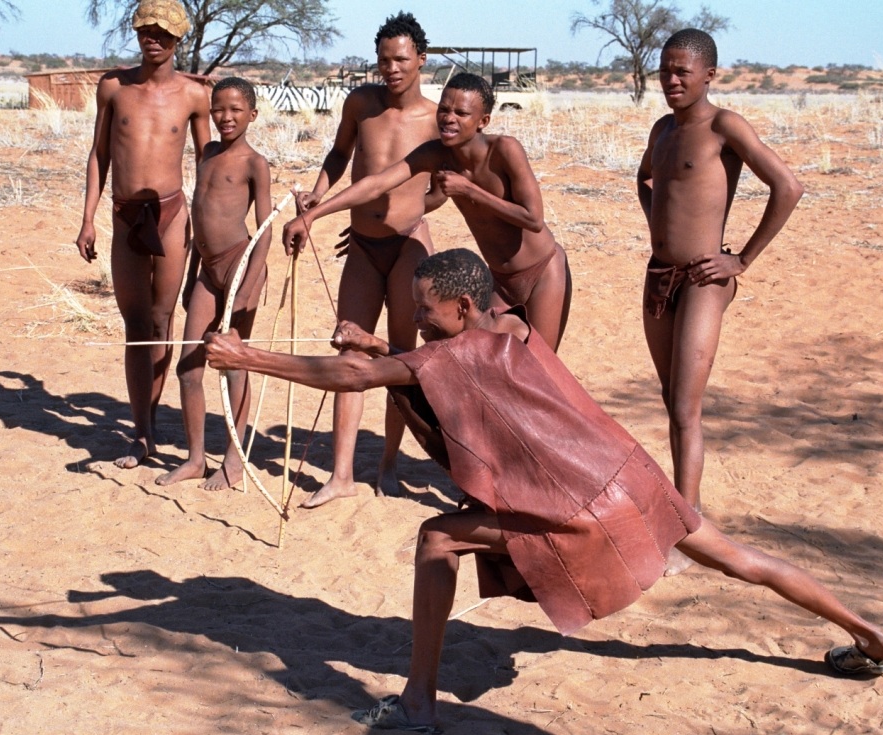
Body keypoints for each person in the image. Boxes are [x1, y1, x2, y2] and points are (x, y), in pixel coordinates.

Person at [204, 249, 883, 734]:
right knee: (738, 557)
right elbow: (439, 365)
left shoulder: (445, 352)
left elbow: (358, 379)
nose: (416, 319)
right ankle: (867, 634)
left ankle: (417, 701)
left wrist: (245, 357)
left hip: (576, 509)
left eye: (425, 310)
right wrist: (383, 346)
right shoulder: (510, 327)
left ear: (462, 305)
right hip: (627, 475)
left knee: (436, 536)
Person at [636, 29, 803, 572]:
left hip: (707, 279)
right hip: (659, 275)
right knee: (669, 397)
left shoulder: (724, 126)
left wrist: (741, 260)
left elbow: (788, 186)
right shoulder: (662, 129)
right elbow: (644, 179)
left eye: (683, 70)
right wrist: (657, 226)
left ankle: (688, 527)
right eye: (665, 70)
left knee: (686, 405)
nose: (672, 80)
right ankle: (688, 511)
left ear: (710, 74)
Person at [283, 72, 573, 352]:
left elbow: (533, 219)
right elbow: (376, 184)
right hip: (498, 279)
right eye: (444, 109)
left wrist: (470, 190)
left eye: (461, 113)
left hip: (542, 272)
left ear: (483, 121)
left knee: (538, 368)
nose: (449, 118)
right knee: (481, 361)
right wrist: (314, 215)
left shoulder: (505, 149)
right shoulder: (435, 153)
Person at [293, 12, 440, 508]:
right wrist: (317, 196)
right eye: (384, 60)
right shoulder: (360, 102)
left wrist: (415, 215)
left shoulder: (439, 119)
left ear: (421, 58)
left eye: (401, 59)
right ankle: (339, 474)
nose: (392, 69)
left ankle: (390, 461)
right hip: (361, 244)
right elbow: (339, 155)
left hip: (408, 247)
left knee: (397, 354)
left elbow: (441, 188)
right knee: (347, 348)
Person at [75, 0, 211, 469]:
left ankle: (149, 415)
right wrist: (88, 217)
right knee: (135, 328)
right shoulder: (113, 87)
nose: (153, 39)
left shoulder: (194, 96)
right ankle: (142, 432)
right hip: (124, 215)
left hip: (173, 215)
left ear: (178, 40)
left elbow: (208, 163)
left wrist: (212, 225)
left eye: (163, 34)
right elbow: (99, 155)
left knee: (162, 320)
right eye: (145, 31)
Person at [155, 77, 271, 490]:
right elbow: (198, 221)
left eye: (236, 110)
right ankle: (195, 458)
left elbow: (266, 232)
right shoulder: (205, 153)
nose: (226, 117)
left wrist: (246, 286)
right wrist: (191, 278)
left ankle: (234, 461)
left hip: (241, 269)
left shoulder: (255, 163)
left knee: (234, 366)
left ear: (252, 115)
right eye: (219, 109)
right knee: (189, 367)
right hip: (206, 271)